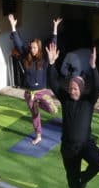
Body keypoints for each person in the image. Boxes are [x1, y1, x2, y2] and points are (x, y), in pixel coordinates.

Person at [46, 42, 99, 188]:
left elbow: (97, 87)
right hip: (68, 148)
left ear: (82, 88)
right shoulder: (65, 99)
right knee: (72, 182)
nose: (73, 90)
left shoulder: (89, 100)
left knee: (98, 163)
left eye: (76, 88)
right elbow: (54, 82)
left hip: (86, 144)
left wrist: (93, 68)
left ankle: (83, 179)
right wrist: (51, 64)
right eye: (71, 88)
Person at [9, 14, 62, 145]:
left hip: (42, 92)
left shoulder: (43, 60)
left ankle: (45, 101)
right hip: (29, 94)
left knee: (53, 111)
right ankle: (38, 135)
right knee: (35, 115)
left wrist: (55, 28)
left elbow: (53, 46)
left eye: (35, 48)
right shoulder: (25, 57)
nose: (32, 50)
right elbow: (18, 42)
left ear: (38, 48)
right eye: (31, 47)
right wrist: (13, 26)